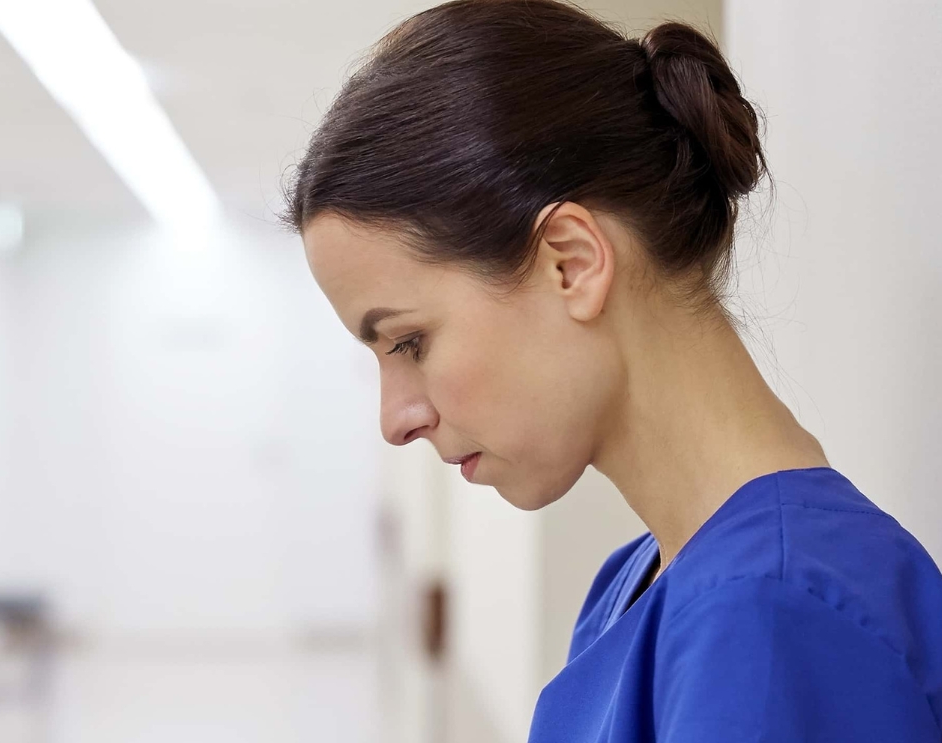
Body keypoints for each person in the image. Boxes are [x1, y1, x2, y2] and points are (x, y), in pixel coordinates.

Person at [283, 0, 942, 740]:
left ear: (571, 263)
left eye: (408, 342)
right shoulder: (637, 583)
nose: (395, 419)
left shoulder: (771, 618)